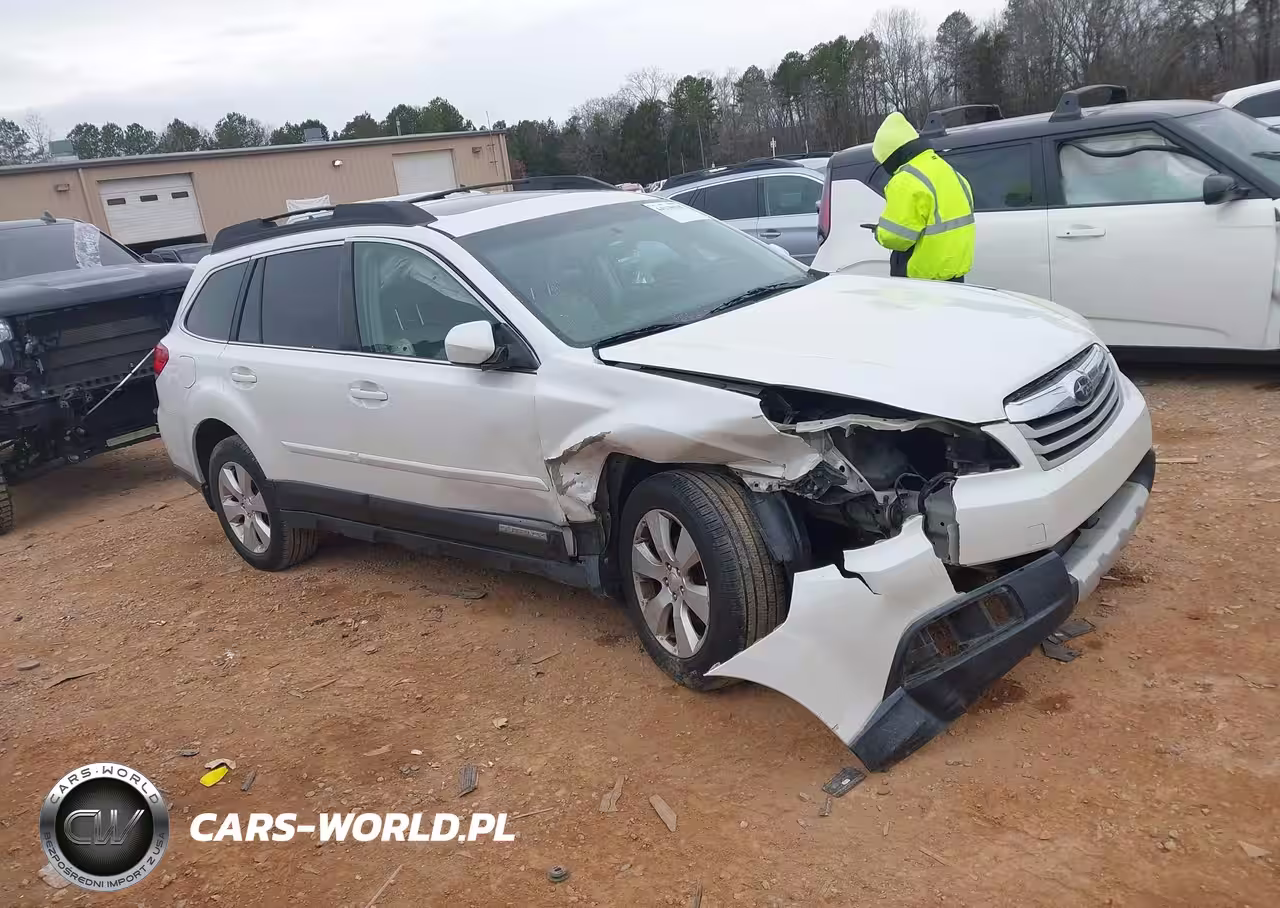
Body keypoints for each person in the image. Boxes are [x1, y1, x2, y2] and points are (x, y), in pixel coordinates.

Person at [871, 112, 975, 282]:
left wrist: (878, 232)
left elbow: (896, 237)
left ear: (892, 156)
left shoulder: (906, 180)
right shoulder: (946, 170)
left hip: (922, 281)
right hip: (955, 276)